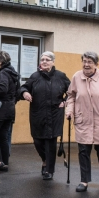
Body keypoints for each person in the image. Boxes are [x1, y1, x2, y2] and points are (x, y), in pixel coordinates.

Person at [65, 51, 99, 192]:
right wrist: (69, 110)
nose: (86, 64)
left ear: (96, 64)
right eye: (84, 61)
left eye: (90, 62)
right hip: (83, 120)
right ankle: (84, 181)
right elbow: (70, 96)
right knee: (83, 152)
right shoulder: (77, 77)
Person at [19, 52, 70, 180]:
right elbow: (23, 87)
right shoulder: (35, 76)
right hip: (38, 114)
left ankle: (49, 170)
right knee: (37, 141)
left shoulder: (60, 76)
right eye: (42, 59)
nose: (44, 61)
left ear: (53, 62)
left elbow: (72, 91)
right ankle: (45, 160)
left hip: (54, 114)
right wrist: (25, 93)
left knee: (50, 142)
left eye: (47, 59)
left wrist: (66, 101)